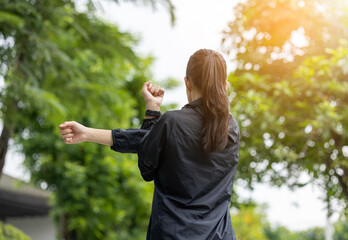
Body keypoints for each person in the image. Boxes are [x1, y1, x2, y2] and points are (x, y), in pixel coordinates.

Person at [59, 49, 240, 240]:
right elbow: (153, 140)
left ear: (187, 82)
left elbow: (147, 165)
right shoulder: (232, 128)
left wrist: (152, 111)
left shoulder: (173, 122)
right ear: (225, 85)